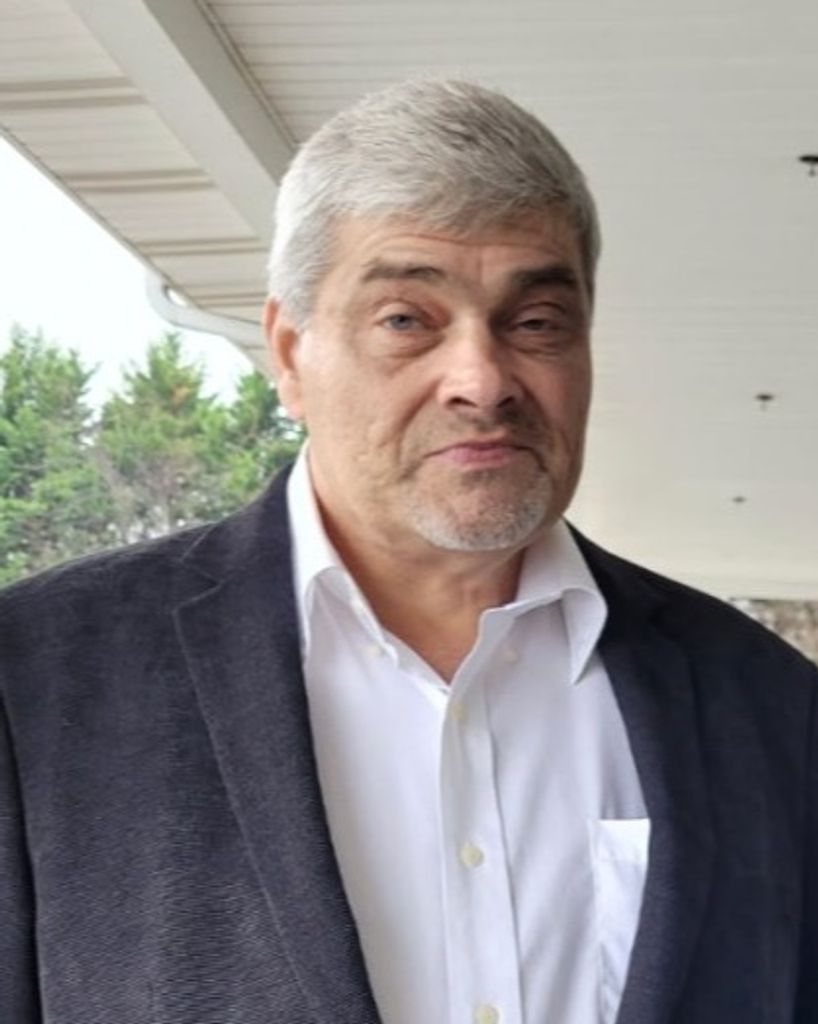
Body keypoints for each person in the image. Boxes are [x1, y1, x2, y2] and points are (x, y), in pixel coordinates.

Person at [0, 80, 816, 1024]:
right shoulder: (37, 684)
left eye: (536, 322)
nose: (482, 380)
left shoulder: (769, 706)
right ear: (290, 352)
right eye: (406, 319)